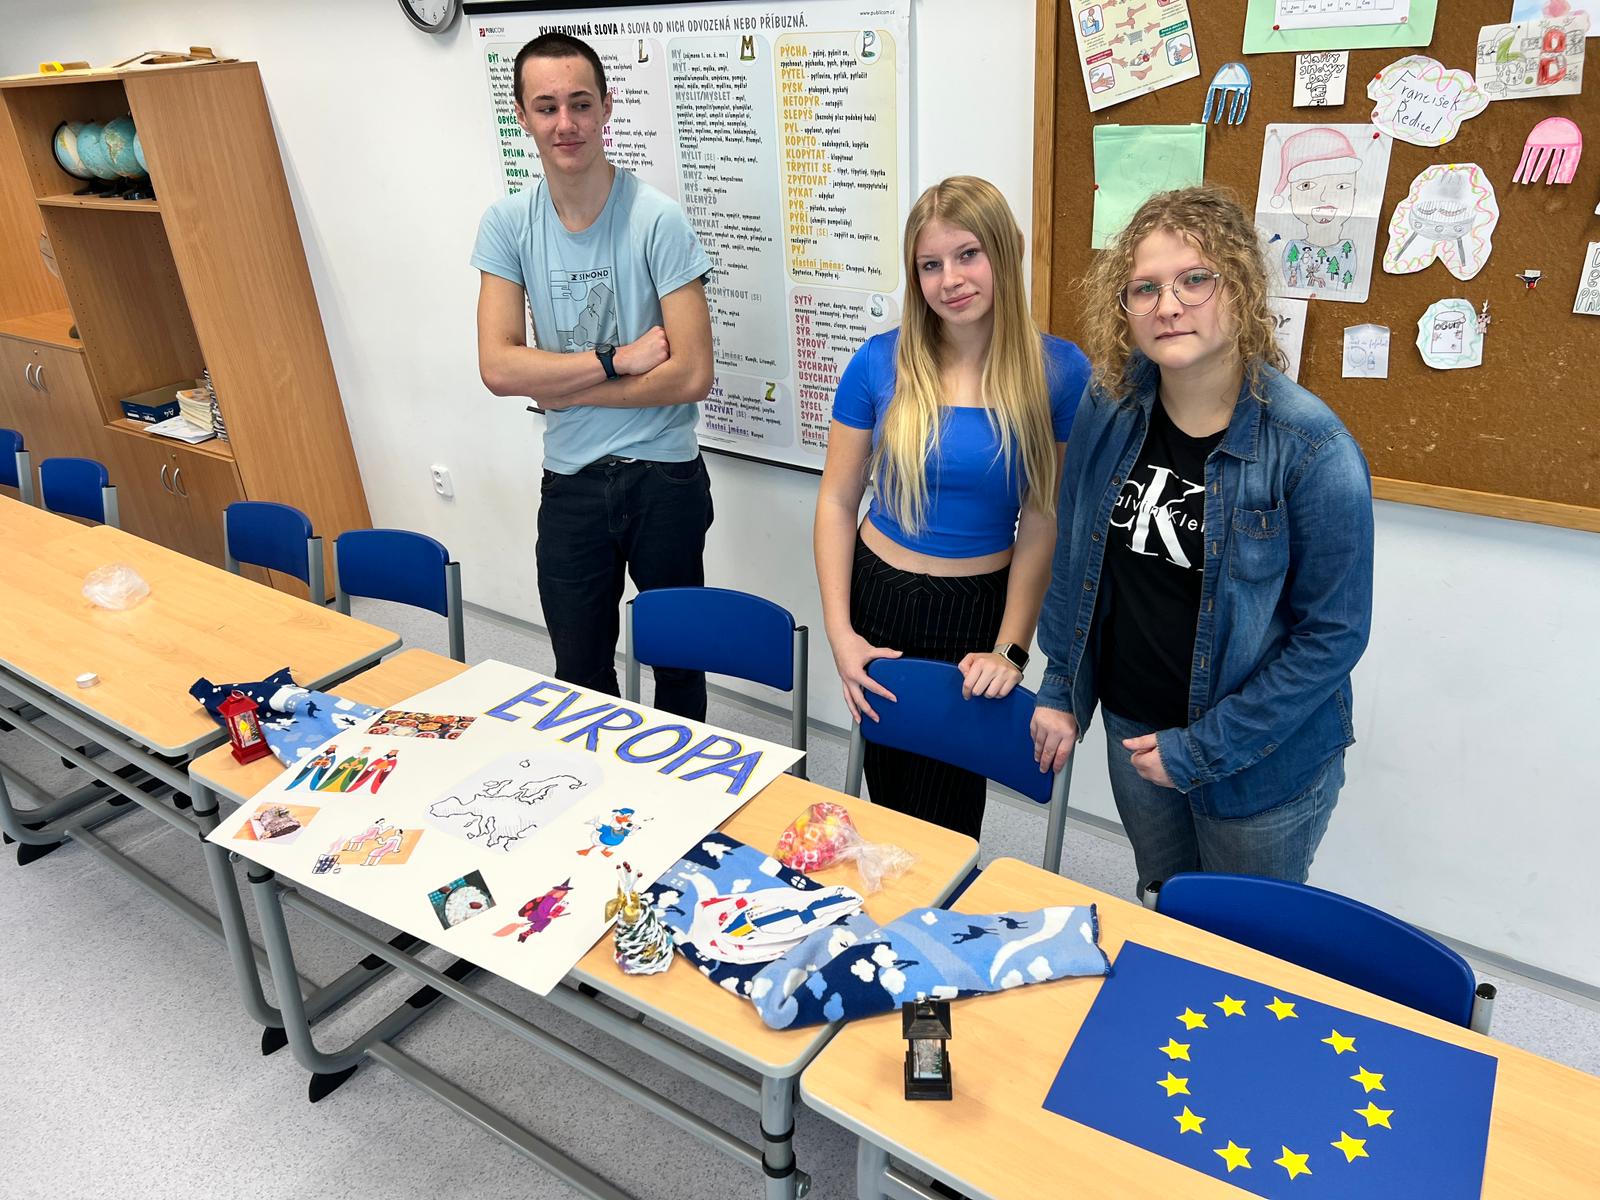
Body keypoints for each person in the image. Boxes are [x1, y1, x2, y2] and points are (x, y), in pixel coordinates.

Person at [1031, 186, 1374, 898]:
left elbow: (1332, 638)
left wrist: (1201, 751)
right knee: (1167, 902)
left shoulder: (1312, 448)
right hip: (1136, 734)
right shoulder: (1107, 403)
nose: (1168, 305)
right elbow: (1074, 549)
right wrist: (1061, 685)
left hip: (1257, 763)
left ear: (1240, 289)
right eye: (1145, 288)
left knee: (1245, 942)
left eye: (1194, 280)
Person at [814, 176, 1090, 839]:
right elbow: (837, 500)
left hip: (975, 609)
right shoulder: (879, 361)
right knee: (887, 794)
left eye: (968, 254)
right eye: (930, 265)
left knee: (948, 815)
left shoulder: (1059, 372)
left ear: (1008, 249)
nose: (951, 280)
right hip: (878, 596)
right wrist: (840, 633)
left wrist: (1011, 650)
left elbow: (1044, 520)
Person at [473, 33, 716, 719]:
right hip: (571, 479)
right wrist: (617, 360)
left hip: (665, 475)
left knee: (679, 665)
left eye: (581, 104)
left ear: (607, 107)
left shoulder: (657, 219)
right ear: (523, 117)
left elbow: (692, 373)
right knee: (578, 671)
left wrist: (560, 384)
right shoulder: (508, 224)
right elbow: (497, 366)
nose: (566, 123)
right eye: (546, 107)